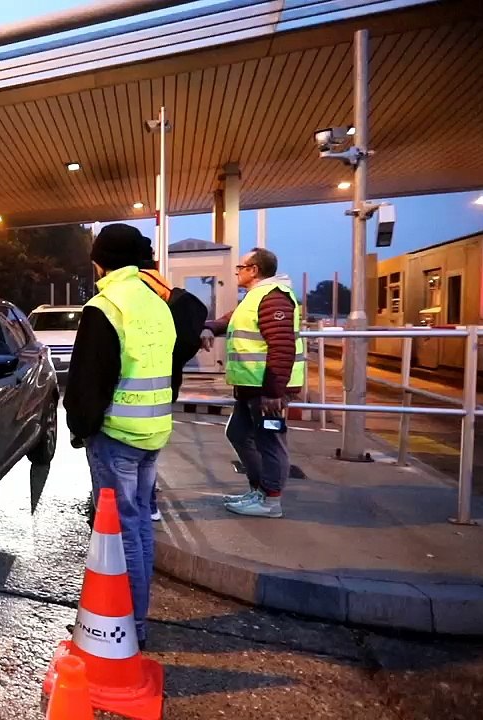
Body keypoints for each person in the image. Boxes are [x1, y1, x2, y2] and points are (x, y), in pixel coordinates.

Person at [64, 223, 176, 648]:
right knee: (139, 528)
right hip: (152, 432)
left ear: (99, 262)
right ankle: (136, 621)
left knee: (118, 532)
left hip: (116, 437)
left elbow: (88, 381)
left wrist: (81, 428)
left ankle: (124, 629)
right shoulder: (155, 302)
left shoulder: (106, 304)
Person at [200, 247, 303, 518]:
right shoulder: (255, 297)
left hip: (266, 389)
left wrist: (274, 392)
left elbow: (281, 347)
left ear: (254, 269)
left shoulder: (274, 298)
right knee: (237, 433)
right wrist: (210, 327)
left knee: (270, 441)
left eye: (240, 267)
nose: (237, 271)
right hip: (251, 387)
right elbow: (230, 320)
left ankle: (270, 501)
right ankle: (259, 490)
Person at [135, 249, 209, 522]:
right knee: (150, 452)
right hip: (166, 382)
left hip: (137, 386)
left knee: (132, 455)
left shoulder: (139, 288)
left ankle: (146, 502)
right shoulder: (163, 285)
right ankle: (149, 503)